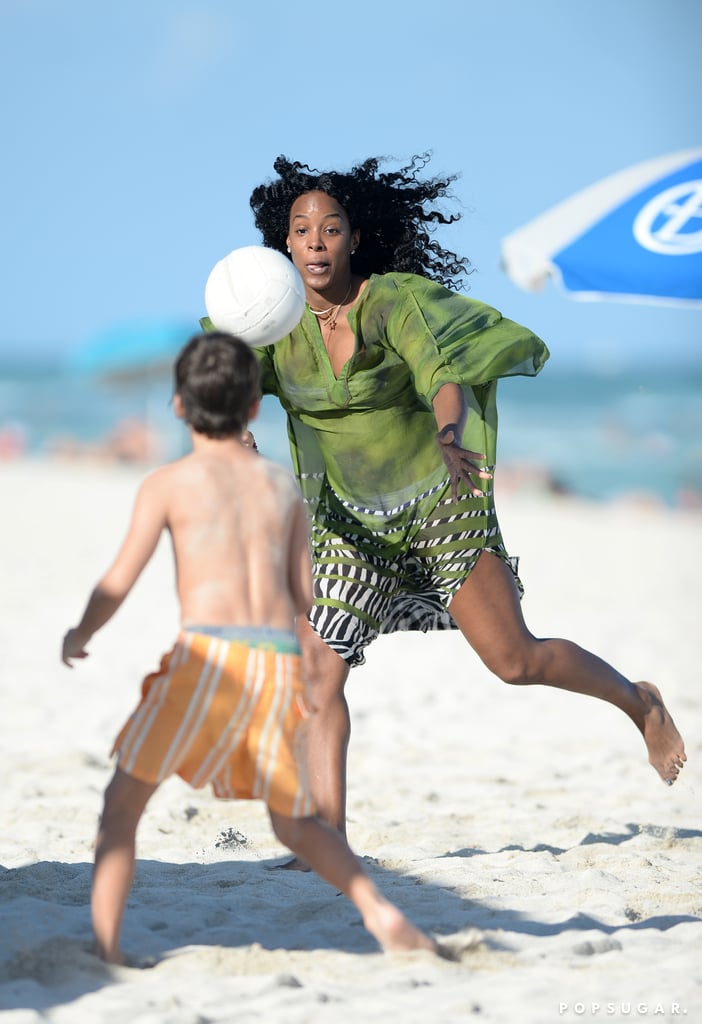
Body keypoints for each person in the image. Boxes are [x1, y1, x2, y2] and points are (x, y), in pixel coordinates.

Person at [218, 153, 687, 869]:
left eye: (332, 229)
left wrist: (447, 429)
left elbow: (445, 375)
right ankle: (327, 838)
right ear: (283, 244)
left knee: (514, 660)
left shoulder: (392, 302)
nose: (316, 242)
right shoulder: (272, 325)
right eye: (302, 230)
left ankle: (638, 702)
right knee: (319, 673)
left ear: (353, 239)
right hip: (351, 526)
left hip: (441, 502)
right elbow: (229, 381)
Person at [61, 331, 437, 964]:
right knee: (295, 823)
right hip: (275, 662)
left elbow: (117, 582)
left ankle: (106, 950)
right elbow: (305, 595)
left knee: (121, 808)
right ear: (255, 410)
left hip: (207, 658)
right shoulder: (281, 487)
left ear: (179, 405)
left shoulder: (166, 484)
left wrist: (83, 632)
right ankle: (380, 911)